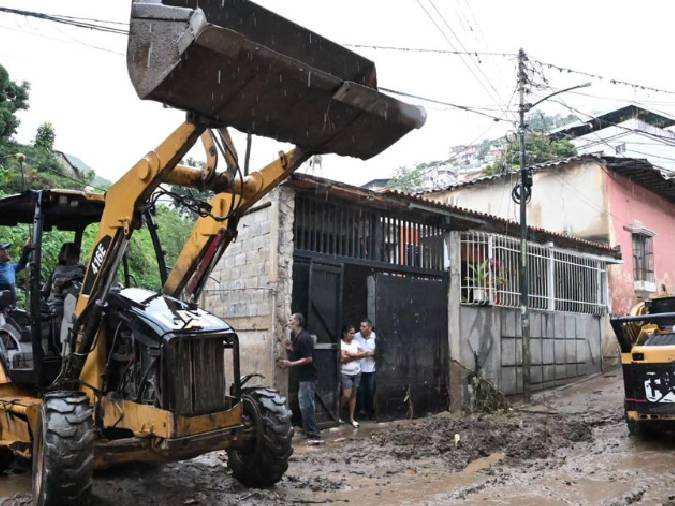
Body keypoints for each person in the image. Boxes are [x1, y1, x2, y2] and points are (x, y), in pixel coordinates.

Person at [278, 313, 322, 443]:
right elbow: (299, 352)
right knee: (305, 404)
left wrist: (290, 364)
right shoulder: (295, 336)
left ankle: (314, 435)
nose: (289, 321)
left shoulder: (304, 338)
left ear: (297, 322)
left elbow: (308, 359)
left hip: (308, 377)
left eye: (291, 320)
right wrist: (290, 348)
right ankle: (308, 431)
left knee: (306, 406)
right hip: (302, 376)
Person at [339, 324, 371, 428]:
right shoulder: (340, 343)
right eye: (351, 333)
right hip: (345, 373)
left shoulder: (356, 342)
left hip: (357, 372)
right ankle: (338, 412)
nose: (353, 335)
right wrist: (357, 356)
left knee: (353, 395)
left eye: (353, 333)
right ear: (345, 333)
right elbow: (343, 359)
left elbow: (365, 353)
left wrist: (351, 355)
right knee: (346, 395)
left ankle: (352, 418)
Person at [355, 318, 377, 420]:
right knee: (360, 391)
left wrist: (369, 353)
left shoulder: (375, 337)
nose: (361, 328)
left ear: (370, 327)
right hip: (359, 369)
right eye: (360, 326)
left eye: (364, 326)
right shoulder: (356, 336)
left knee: (371, 390)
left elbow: (378, 352)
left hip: (371, 369)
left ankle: (371, 411)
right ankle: (362, 411)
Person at [0, 241, 31, 306]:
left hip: (10, 309)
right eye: (4, 250)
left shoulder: (11, 267)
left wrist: (26, 249)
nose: (7, 251)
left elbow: (22, 263)